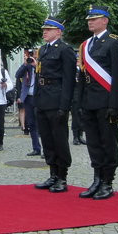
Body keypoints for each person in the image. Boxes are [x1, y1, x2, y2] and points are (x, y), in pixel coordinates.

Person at [76, 5, 118, 200]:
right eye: (89, 18)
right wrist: (79, 102)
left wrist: (116, 104)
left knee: (108, 142)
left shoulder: (114, 43)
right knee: (93, 142)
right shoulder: (85, 45)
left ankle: (108, 181)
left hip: (105, 100)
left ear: (105, 20)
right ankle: (97, 178)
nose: (90, 21)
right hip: (89, 101)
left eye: (94, 18)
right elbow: (82, 76)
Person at [33, 17, 76, 194]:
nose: (45, 32)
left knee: (59, 139)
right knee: (47, 140)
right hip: (43, 99)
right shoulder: (43, 49)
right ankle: (52, 173)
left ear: (58, 32)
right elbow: (38, 75)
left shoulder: (65, 50)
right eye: (44, 29)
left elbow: (68, 80)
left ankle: (62, 177)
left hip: (57, 99)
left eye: (49, 29)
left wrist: (64, 106)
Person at [15, 49, 41, 156]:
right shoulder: (28, 66)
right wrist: (25, 64)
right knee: (31, 124)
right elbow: (17, 75)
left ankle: (47, 150)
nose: (33, 57)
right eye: (32, 55)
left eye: (35, 55)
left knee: (41, 124)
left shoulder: (41, 66)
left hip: (39, 97)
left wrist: (37, 67)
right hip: (28, 97)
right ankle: (36, 148)